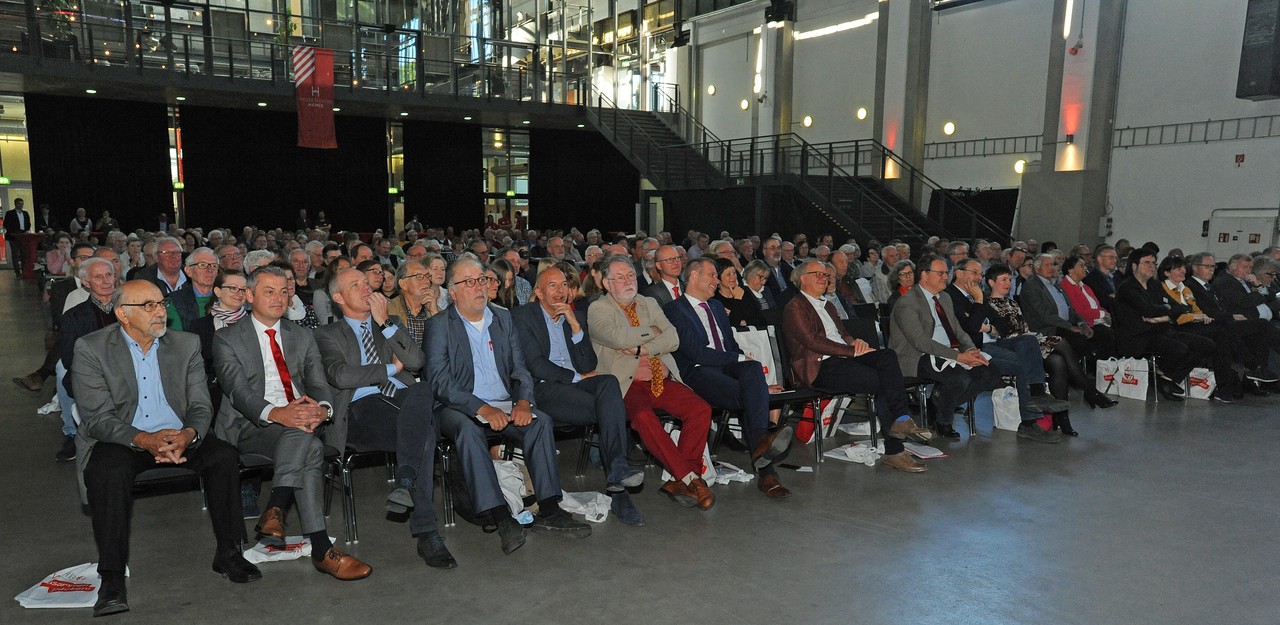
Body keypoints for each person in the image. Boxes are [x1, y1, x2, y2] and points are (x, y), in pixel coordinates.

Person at [74, 280, 260, 617]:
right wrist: (145, 440)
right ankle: (112, 576)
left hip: (179, 432)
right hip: (124, 437)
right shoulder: (91, 348)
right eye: (148, 305)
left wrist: (188, 434)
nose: (161, 311)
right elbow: (97, 418)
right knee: (106, 471)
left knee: (223, 456)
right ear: (122, 314)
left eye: (161, 303)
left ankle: (229, 551)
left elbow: (202, 405)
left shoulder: (185, 344)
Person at [213, 266, 373, 580]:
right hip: (251, 426)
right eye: (268, 291)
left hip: (299, 422)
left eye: (284, 291)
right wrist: (279, 413)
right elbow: (238, 392)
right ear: (249, 296)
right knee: (306, 439)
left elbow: (318, 384)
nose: (279, 298)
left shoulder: (302, 335)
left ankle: (281, 511)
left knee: (308, 441)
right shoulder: (226, 338)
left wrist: (323, 410)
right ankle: (315, 544)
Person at [426, 257, 593, 554]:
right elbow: (441, 383)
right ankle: (501, 516)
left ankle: (551, 508)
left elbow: (520, 369)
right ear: (452, 292)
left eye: (482, 279)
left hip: (504, 401)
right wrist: (481, 408)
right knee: (468, 430)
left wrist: (523, 401)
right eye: (469, 281)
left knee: (540, 421)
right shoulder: (439, 326)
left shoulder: (503, 318)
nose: (479, 286)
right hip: (459, 406)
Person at [314, 267, 453, 568]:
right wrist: (391, 369)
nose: (367, 289)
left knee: (423, 390)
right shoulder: (326, 334)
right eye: (356, 285)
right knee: (426, 433)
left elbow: (417, 361)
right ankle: (427, 533)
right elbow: (341, 375)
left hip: (398, 402)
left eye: (367, 283)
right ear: (338, 297)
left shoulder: (389, 324)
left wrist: (385, 323)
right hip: (358, 411)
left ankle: (406, 482)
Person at [512, 266, 647, 526]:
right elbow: (535, 364)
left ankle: (617, 471)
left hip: (576, 386)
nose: (560, 290)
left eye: (564, 284)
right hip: (544, 388)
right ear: (539, 292)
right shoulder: (522, 316)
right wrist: (576, 378)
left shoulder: (576, 316)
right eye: (552, 285)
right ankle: (619, 488)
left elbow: (588, 365)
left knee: (608, 383)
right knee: (611, 408)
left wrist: (575, 327)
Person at [588, 256, 715, 511]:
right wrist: (653, 332)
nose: (628, 281)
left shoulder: (649, 302)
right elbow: (617, 337)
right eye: (620, 277)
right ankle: (691, 478)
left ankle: (680, 479)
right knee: (644, 418)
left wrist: (641, 348)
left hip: (660, 377)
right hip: (626, 384)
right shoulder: (598, 309)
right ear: (605, 282)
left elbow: (674, 338)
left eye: (631, 276)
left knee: (701, 409)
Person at [782, 259, 933, 471]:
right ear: (802, 279)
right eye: (818, 274)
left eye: (826, 275)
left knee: (887, 356)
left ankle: (901, 419)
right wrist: (852, 351)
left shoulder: (829, 305)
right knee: (881, 381)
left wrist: (855, 342)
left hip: (843, 357)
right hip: (819, 367)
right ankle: (895, 449)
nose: (823, 278)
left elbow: (842, 335)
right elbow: (812, 341)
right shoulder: (795, 306)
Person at [665, 258, 796, 495]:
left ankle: (759, 446)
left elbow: (732, 346)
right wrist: (740, 364)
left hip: (724, 365)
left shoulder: (715, 307)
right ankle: (765, 466)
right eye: (712, 275)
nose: (717, 281)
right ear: (693, 276)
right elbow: (695, 352)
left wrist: (744, 364)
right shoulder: (675, 309)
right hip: (697, 370)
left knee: (753, 368)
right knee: (751, 391)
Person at [889, 256, 1057, 441]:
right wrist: (959, 357)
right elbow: (920, 342)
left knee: (989, 373)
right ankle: (943, 420)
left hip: (948, 351)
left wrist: (970, 349)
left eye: (946, 272)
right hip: (917, 355)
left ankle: (939, 404)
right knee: (959, 377)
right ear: (924, 275)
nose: (946, 276)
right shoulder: (907, 303)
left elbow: (958, 330)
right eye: (941, 273)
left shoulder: (943, 297)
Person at [983, 264, 1116, 435]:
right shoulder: (987, 304)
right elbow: (1000, 332)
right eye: (1003, 280)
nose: (1008, 283)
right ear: (991, 283)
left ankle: (1063, 418)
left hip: (1027, 340)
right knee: (1061, 343)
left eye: (1009, 279)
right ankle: (1090, 392)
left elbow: (1023, 327)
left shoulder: (1011, 302)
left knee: (1058, 362)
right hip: (1012, 344)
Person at [946, 259, 1072, 435]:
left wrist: (986, 324)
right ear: (959, 273)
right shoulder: (951, 295)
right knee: (1024, 363)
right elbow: (970, 327)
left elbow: (1005, 327)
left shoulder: (975, 294)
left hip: (990, 343)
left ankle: (1037, 394)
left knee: (1028, 342)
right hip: (969, 348)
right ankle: (1029, 423)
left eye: (980, 274)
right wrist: (979, 302)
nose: (978, 277)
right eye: (975, 273)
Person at [1113, 248, 1210, 402]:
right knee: (1180, 349)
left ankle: (1167, 378)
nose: (1151, 266)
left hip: (1159, 330)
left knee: (1205, 344)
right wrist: (1165, 311)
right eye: (1146, 263)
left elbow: (1181, 308)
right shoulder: (1127, 287)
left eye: (1154, 263)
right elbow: (1149, 310)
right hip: (1137, 337)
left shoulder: (1154, 285)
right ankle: (1162, 379)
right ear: (1134, 266)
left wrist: (1161, 317)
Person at [166, 247, 218, 330]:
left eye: (214, 266)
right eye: (202, 265)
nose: (210, 270)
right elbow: (176, 339)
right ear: (188, 271)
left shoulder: (226, 296)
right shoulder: (174, 301)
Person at [3, 198, 30, 275]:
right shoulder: (10, 213)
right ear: (15, 204)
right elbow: (6, 224)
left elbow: (28, 223)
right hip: (13, 235)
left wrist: (26, 229)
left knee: (23, 253)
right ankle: (17, 271)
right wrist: (14, 231)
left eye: (22, 204)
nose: (21, 205)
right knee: (15, 253)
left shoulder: (25, 213)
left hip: (23, 235)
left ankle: (24, 269)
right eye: (19, 203)